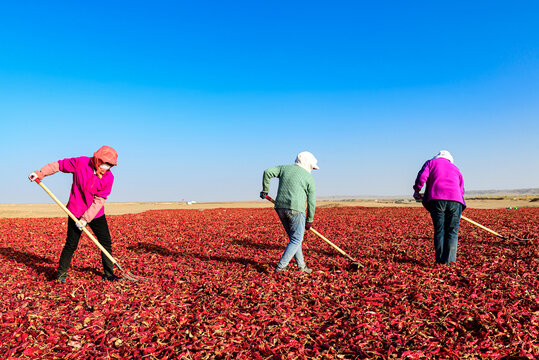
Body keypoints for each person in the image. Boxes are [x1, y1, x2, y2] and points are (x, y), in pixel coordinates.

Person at [29, 146, 121, 283]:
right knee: (71, 244)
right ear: (97, 160)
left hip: (95, 214)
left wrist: (85, 219)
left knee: (105, 242)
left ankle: (109, 274)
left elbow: (99, 200)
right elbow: (59, 165)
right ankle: (61, 275)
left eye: (109, 166)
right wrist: (41, 173)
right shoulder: (81, 163)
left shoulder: (109, 178)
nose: (105, 168)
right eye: (104, 164)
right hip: (75, 211)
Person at [260, 151, 319, 274]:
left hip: (280, 207)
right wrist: (309, 219)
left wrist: (265, 190)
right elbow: (311, 201)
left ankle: (301, 266)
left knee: (294, 239)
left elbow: (267, 172)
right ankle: (281, 267)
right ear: (308, 164)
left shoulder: (284, 168)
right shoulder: (309, 178)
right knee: (297, 239)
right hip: (296, 210)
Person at [413, 150, 466, 265]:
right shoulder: (455, 168)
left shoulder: (430, 163)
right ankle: (450, 262)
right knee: (452, 232)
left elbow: (422, 177)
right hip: (456, 201)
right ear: (449, 159)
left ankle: (440, 261)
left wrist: (417, 190)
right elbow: (461, 189)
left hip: (437, 200)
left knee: (440, 231)